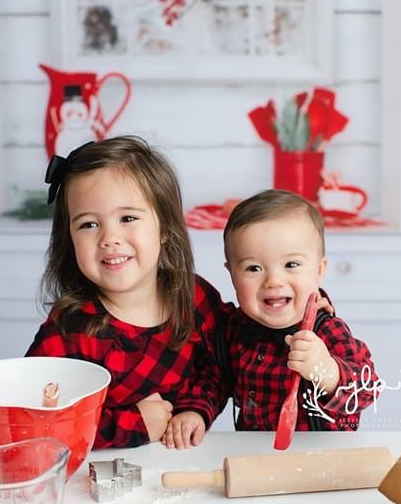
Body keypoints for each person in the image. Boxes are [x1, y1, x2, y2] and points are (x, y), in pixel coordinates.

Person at [26, 136, 229, 449]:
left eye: (128, 218)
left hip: (180, 463)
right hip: (96, 479)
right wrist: (135, 424)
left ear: (164, 229)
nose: (109, 238)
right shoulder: (70, 327)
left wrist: (195, 410)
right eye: (89, 224)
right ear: (70, 240)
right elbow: (41, 422)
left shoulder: (193, 298)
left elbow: (219, 367)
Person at [207, 189, 378, 431]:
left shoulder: (327, 331)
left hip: (320, 458)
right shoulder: (235, 329)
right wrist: (197, 412)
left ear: (319, 270)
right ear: (232, 274)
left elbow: (368, 388)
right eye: (254, 268)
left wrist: (327, 371)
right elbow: (212, 381)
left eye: (291, 264)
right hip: (252, 454)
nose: (274, 281)